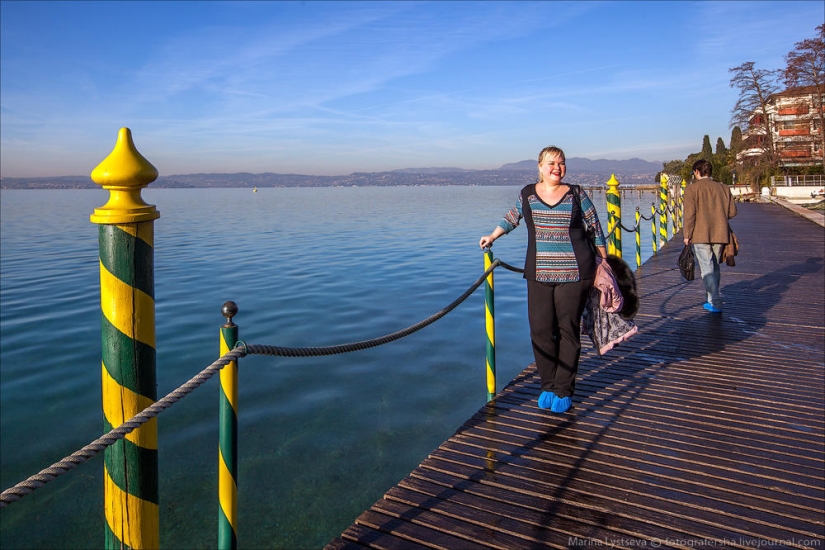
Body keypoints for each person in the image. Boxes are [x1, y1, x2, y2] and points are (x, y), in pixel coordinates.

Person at [479, 146, 607, 414]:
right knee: (540, 330)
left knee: (567, 330)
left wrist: (605, 263)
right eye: (551, 163)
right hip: (538, 273)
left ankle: (563, 389)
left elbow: (595, 226)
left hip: (575, 273)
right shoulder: (528, 194)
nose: (557, 168)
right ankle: (547, 384)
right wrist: (492, 236)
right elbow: (512, 218)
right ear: (540, 167)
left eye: (561, 163)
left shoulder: (576, 193)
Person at [682, 158, 737, 314]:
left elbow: (689, 215)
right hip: (720, 232)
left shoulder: (692, 189)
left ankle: (715, 302)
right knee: (715, 266)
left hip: (700, 234)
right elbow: (732, 212)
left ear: (697, 172)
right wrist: (719, 216)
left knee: (707, 268)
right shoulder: (724, 188)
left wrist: (687, 235)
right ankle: (711, 298)